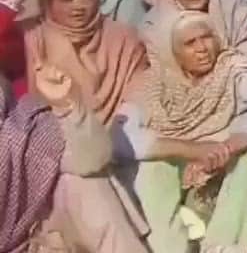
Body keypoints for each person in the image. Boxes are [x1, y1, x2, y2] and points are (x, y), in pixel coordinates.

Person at [113, 11, 247, 252]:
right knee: (151, 168)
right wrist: (192, 151)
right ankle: (169, 245)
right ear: (173, 52)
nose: (202, 48)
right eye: (190, 43)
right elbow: (122, 138)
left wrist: (226, 147)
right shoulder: (152, 83)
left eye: (206, 38)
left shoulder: (231, 68)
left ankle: (222, 244)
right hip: (179, 155)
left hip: (222, 152)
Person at [3, 66, 148, 253]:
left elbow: (91, 159)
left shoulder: (19, 132)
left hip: (37, 239)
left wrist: (67, 105)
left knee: (81, 182)